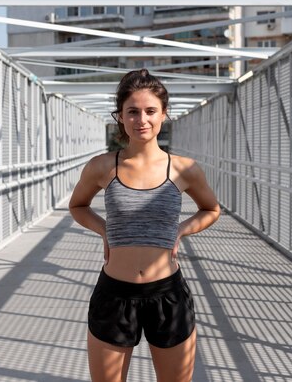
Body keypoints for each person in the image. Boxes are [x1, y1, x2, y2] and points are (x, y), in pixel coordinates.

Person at [68, 69, 220, 382]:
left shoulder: (183, 169)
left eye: (150, 111)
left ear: (164, 114)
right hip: (114, 296)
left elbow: (210, 209)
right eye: (132, 112)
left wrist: (180, 230)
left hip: (168, 294)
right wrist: (104, 230)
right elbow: (77, 206)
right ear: (120, 117)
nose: (142, 120)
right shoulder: (102, 166)